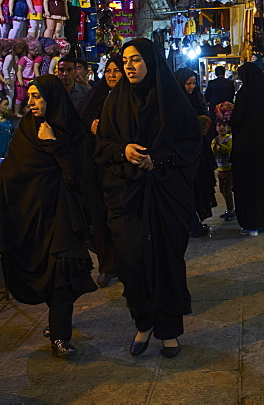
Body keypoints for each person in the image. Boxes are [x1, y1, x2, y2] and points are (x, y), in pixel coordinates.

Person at [96, 39, 200, 358]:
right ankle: (143, 322)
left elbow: (191, 144)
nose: (129, 66)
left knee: (167, 262)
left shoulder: (173, 101)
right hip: (127, 198)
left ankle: (169, 330)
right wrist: (122, 150)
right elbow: (101, 148)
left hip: (166, 196)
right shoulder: (114, 103)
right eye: (125, 61)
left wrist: (159, 159)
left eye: (136, 60)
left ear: (151, 63)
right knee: (132, 264)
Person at [0, 75, 97, 358]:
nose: (32, 102)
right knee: (48, 274)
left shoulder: (71, 130)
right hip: (33, 217)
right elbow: (13, 174)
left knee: (64, 273)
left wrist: (53, 144)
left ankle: (60, 336)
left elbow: (76, 175)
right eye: (31, 96)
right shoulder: (26, 130)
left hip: (63, 214)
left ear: (53, 98)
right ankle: (57, 321)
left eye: (38, 97)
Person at [80, 54, 123, 288]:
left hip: (120, 169)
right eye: (108, 71)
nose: (112, 75)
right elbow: (81, 120)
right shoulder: (94, 96)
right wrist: (90, 124)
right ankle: (107, 265)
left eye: (117, 71)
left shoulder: (130, 98)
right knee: (99, 217)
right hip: (95, 168)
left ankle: (126, 263)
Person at [230, 62, 264, 236]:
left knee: (250, 186)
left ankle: (252, 224)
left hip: (247, 150)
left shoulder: (245, 94)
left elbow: (237, 121)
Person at [175, 68, 215, 235]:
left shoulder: (197, 98)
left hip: (200, 150)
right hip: (184, 152)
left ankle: (196, 222)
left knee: (199, 185)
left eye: (193, 83)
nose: (191, 87)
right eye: (188, 83)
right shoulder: (175, 101)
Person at [211, 119, 234, 221]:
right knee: (222, 190)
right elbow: (213, 153)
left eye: (223, 125)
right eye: (219, 125)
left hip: (229, 169)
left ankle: (231, 210)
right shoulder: (214, 140)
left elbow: (229, 150)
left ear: (228, 128)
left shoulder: (229, 138)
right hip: (220, 170)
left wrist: (219, 144)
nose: (221, 127)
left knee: (228, 190)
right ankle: (229, 209)